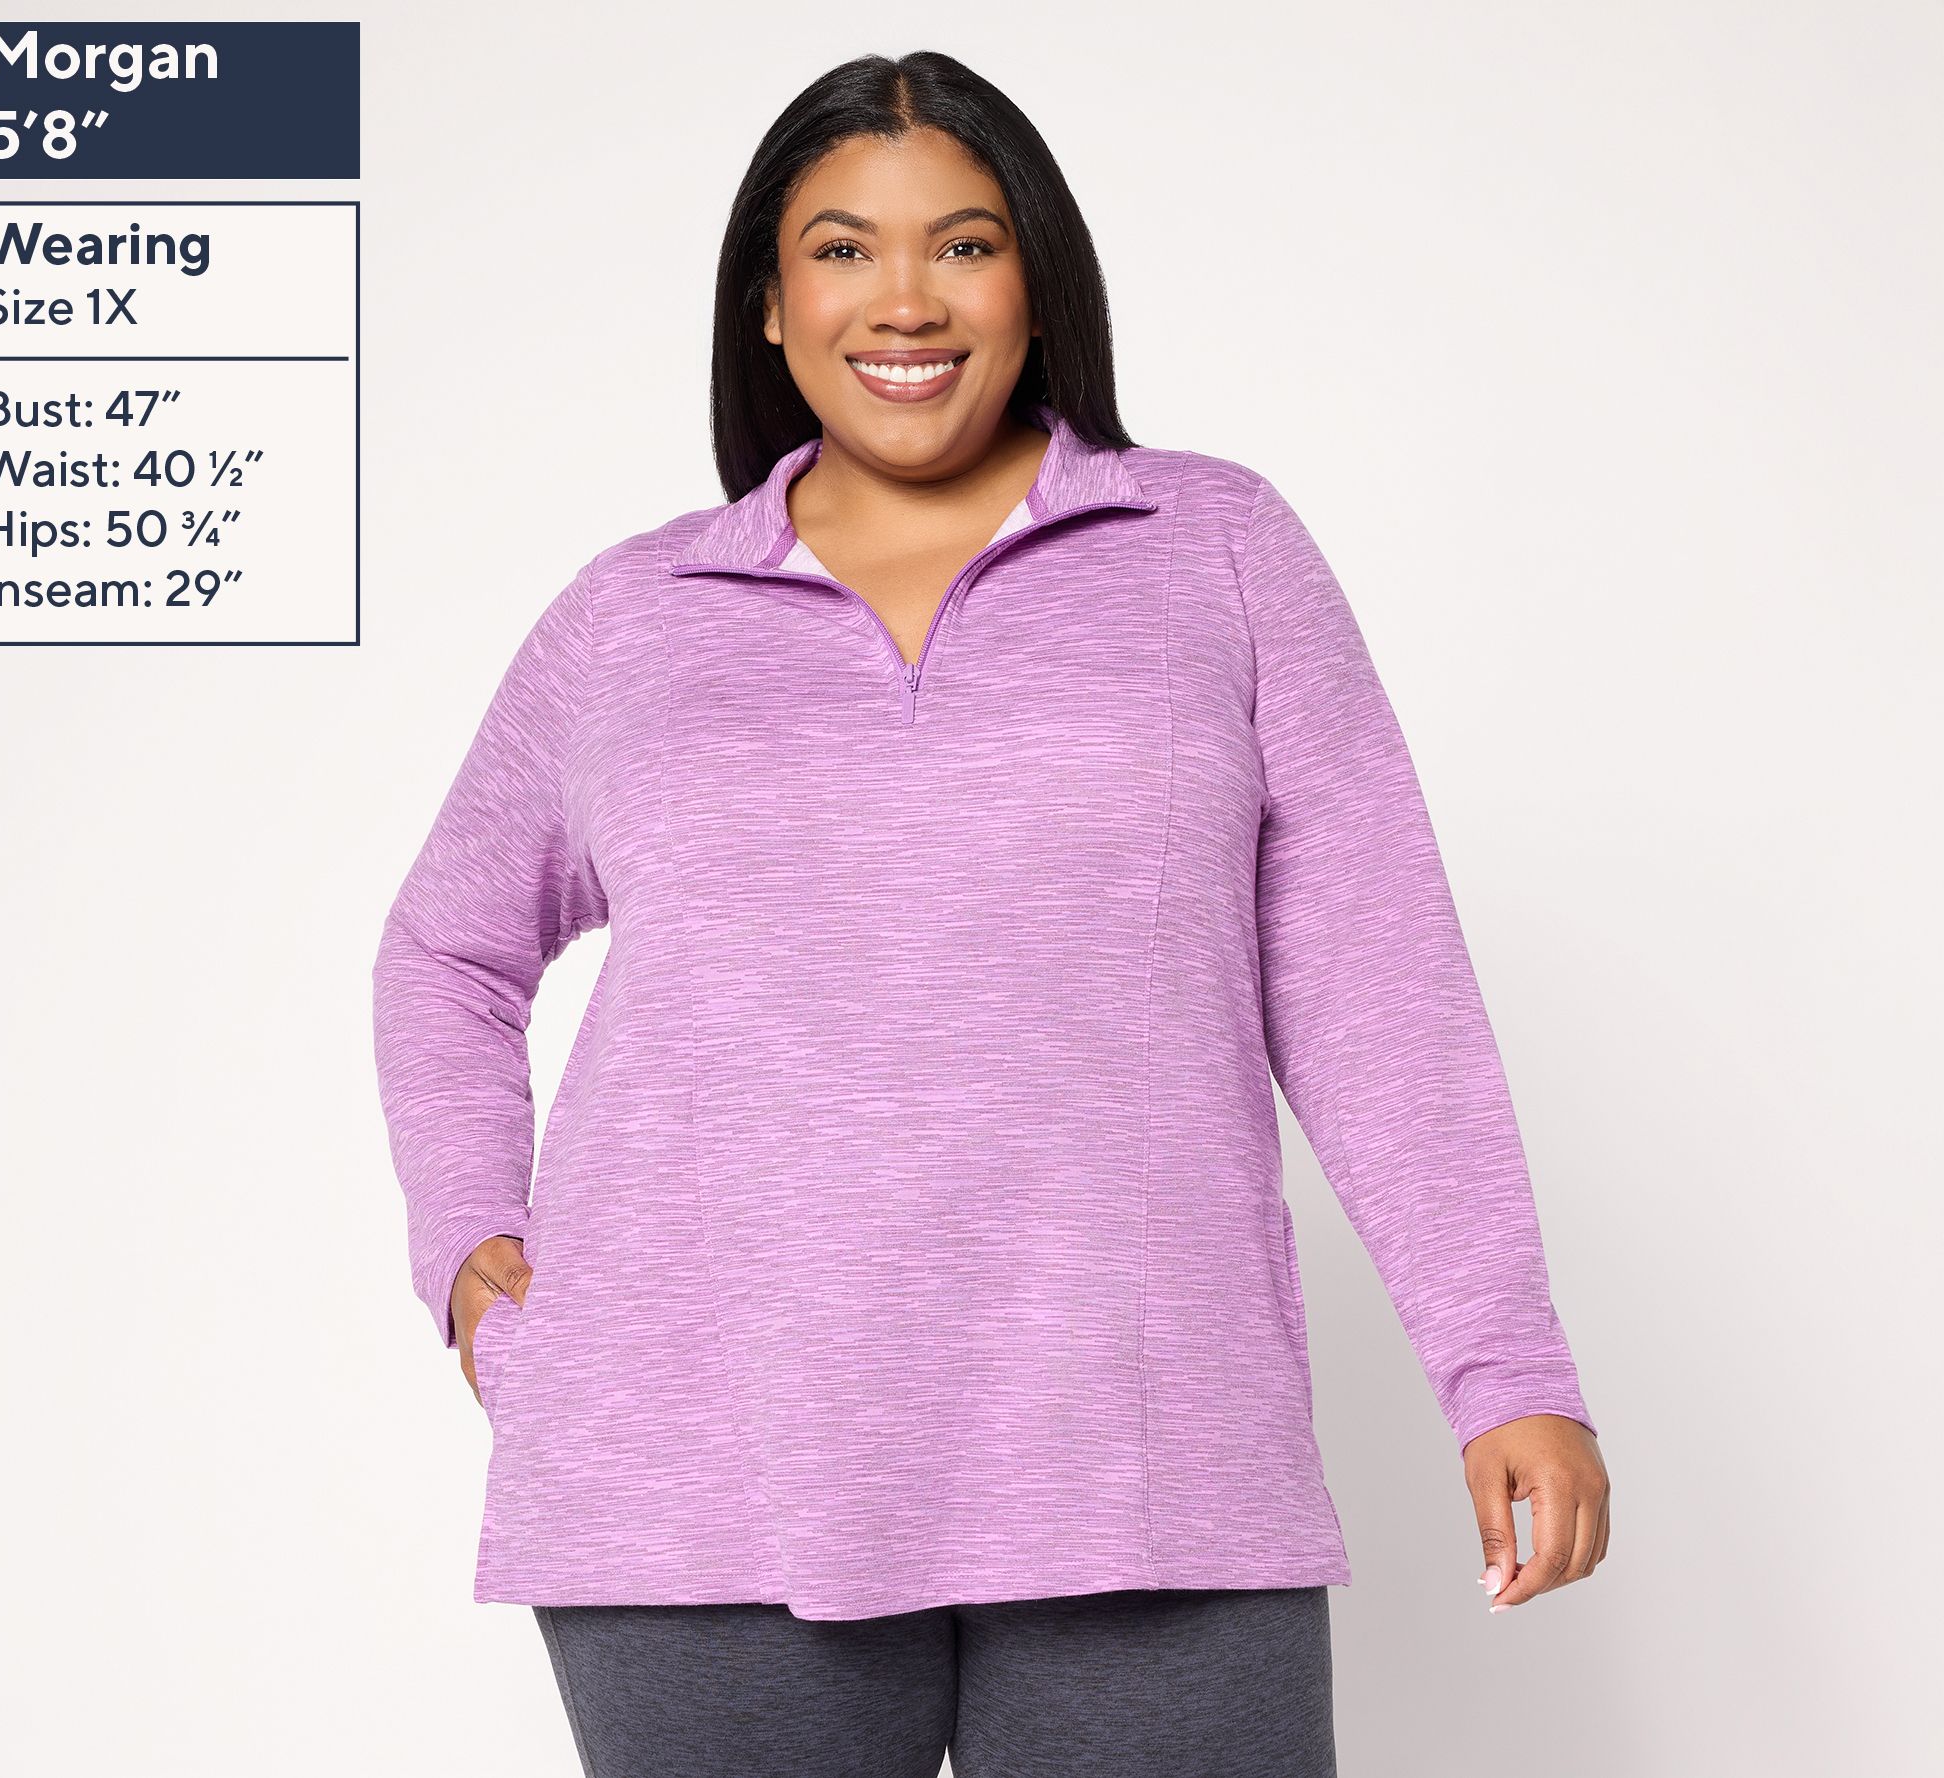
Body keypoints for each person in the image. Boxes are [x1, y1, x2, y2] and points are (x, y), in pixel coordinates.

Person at [370, 48, 1609, 1778]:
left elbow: (1374, 981)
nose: (907, 299)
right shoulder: (635, 618)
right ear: (771, 306)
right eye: (842, 249)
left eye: (963, 243)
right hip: (698, 1476)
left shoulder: (1214, 550)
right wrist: (467, 1245)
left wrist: (1504, 1365)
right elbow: (446, 948)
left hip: (1150, 1462)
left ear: (1038, 283)